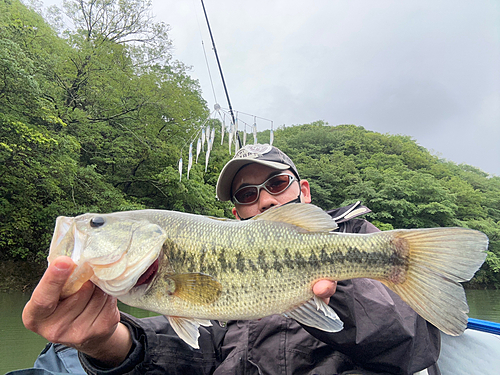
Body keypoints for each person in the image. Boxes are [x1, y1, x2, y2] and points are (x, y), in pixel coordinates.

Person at [21, 144, 440, 375]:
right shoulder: (186, 271)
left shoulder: (362, 242)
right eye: (246, 195)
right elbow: (200, 347)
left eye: (276, 182)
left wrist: (335, 292)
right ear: (236, 213)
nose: (265, 200)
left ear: (304, 192)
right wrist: (106, 343)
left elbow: (413, 344)